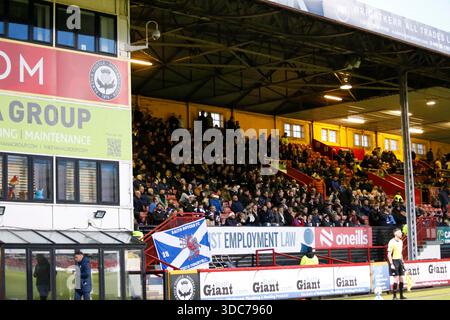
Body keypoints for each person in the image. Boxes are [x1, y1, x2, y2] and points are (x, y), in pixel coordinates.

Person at [387, 228, 407, 300]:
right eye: (399, 232)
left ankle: (401, 295)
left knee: (401, 278)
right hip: (394, 261)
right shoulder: (391, 242)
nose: (401, 234)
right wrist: (391, 264)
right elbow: (389, 254)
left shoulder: (401, 241)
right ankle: (394, 296)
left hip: (399, 261)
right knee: (396, 278)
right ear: (395, 234)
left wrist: (403, 262)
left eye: (401, 232)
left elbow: (400, 253)